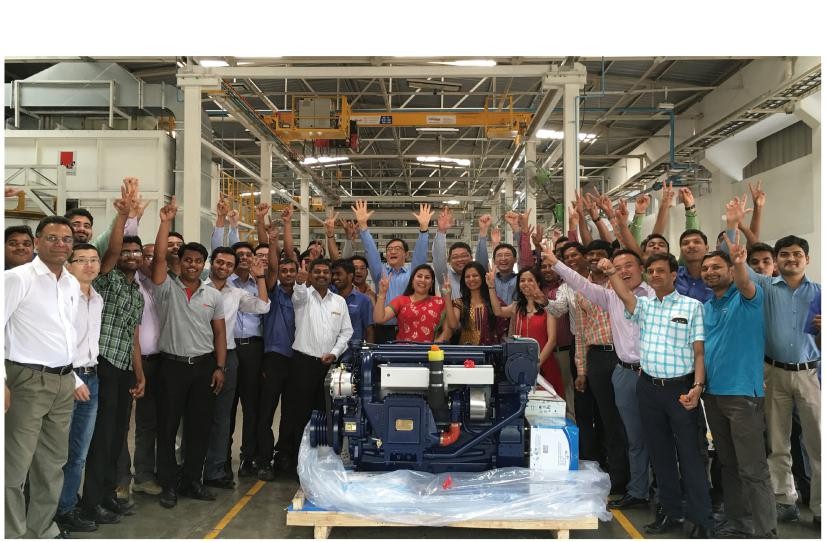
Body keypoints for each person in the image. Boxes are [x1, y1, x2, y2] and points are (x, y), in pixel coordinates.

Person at [723, 199, 821, 525]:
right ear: (776, 261)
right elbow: (738, 265)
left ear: (807, 259)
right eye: (785, 254)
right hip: (774, 372)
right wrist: (732, 224)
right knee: (778, 444)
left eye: (797, 254)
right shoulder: (765, 286)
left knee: (818, 444)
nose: (791, 258)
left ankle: (820, 508)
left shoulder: (819, 293)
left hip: (811, 374)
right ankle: (784, 499)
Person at [603, 252, 712, 537]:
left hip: (681, 390)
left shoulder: (692, 307)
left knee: (690, 455)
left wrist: (698, 387)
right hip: (648, 388)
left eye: (661, 271)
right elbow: (625, 296)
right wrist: (611, 272)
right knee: (660, 454)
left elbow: (699, 353)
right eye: (650, 271)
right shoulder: (644, 306)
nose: (654, 275)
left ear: (674, 274)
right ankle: (671, 513)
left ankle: (701, 518)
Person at [5, 215, 80, 539]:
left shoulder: (71, 283)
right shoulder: (17, 279)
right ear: (37, 242)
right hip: (27, 381)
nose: (60, 244)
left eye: (66, 239)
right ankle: (10, 532)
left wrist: (73, 377)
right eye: (52, 238)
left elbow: (66, 333)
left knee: (52, 463)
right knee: (14, 465)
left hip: (63, 382)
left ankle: (41, 529)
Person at [150, 197, 227, 509]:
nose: (193, 265)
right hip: (172, 367)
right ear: (179, 262)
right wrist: (165, 222)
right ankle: (169, 484)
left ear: (203, 264)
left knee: (199, 427)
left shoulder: (213, 295)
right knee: (167, 428)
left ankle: (193, 480)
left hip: (203, 368)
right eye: (188, 260)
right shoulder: (166, 288)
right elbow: (158, 260)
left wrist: (220, 367)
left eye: (198, 261)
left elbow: (219, 333)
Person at [700, 238, 777, 538]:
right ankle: (739, 524)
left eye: (716, 267)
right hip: (713, 396)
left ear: (731, 271)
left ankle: (766, 530)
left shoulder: (747, 297)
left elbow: (745, 282)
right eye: (705, 268)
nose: (709, 272)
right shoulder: (707, 307)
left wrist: (740, 261)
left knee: (752, 468)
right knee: (728, 465)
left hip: (743, 396)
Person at [79, 191, 146, 525]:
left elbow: (133, 335)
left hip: (123, 369)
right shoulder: (106, 280)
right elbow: (114, 249)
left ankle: (107, 495)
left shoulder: (137, 294)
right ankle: (90, 503)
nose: (131, 255)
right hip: (103, 365)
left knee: (117, 436)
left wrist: (140, 374)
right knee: (102, 439)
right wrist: (124, 217)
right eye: (127, 251)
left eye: (137, 252)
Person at [203, 247, 270, 488]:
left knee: (224, 415)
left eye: (228, 264)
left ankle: (218, 467)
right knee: (199, 414)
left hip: (230, 355)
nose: (224, 267)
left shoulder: (236, 293)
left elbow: (263, 307)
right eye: (220, 262)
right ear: (212, 263)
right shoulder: (200, 288)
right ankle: (194, 466)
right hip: (201, 355)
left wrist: (260, 277)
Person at [54, 242, 104, 533]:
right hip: (67, 380)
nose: (89, 265)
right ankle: (47, 513)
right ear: (69, 265)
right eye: (82, 260)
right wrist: (73, 379)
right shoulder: (62, 296)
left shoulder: (96, 299)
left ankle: (66, 509)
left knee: (78, 453)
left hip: (92, 378)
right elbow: (55, 341)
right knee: (55, 453)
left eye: (94, 259)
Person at [284, 258, 353, 469]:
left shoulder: (339, 302)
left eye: (326, 272)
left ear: (331, 276)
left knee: (326, 415)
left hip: (328, 366)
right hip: (303, 364)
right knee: (300, 414)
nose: (322, 275)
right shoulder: (303, 296)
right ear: (310, 275)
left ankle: (321, 463)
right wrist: (299, 282)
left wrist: (334, 353)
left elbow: (347, 332)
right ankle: (299, 464)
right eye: (317, 272)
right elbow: (298, 295)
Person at [352, 200, 433, 342]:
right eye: (389, 249)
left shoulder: (413, 273)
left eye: (397, 249)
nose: (392, 252)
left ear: (406, 254)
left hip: (409, 328)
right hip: (383, 329)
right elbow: (371, 252)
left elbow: (420, 255)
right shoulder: (380, 272)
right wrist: (363, 227)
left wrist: (424, 230)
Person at [256, 232, 298, 480]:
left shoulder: (304, 295)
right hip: (274, 359)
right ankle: (264, 461)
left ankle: (284, 456)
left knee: (290, 414)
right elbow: (272, 267)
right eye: (284, 270)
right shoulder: (272, 292)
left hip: (297, 361)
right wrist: (273, 242)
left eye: (292, 270)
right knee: (266, 413)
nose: (288, 274)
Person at [488, 267, 563, 398]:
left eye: (530, 280)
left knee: (548, 403)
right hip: (520, 364)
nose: (526, 283)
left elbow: (552, 341)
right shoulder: (516, 307)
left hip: (544, 363)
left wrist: (536, 364)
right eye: (522, 280)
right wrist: (491, 287)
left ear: (538, 283)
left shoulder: (548, 306)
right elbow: (498, 311)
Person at [131, 242, 164, 497]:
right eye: (147, 256)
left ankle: (150, 473)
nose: (150, 261)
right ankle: (128, 478)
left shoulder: (160, 285)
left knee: (153, 421)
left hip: (160, 361)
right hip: (136, 361)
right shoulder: (133, 284)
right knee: (131, 423)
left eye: (155, 257)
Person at [374, 263, 454, 343]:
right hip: (403, 349)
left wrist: (436, 344)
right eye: (419, 276)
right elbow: (379, 319)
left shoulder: (440, 302)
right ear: (412, 280)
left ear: (431, 283)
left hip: (430, 349)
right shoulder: (400, 301)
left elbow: (449, 329)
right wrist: (382, 294)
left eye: (427, 277)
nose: (422, 280)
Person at [432, 209, 491, 299]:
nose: (460, 259)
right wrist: (441, 231)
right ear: (449, 261)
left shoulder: (478, 275)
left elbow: (482, 263)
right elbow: (438, 258)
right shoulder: (445, 277)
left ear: (471, 257)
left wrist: (483, 233)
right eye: (455, 257)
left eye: (464, 256)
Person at [447, 262, 508, 345]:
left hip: (490, 350)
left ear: (482, 277)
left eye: (475, 275)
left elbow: (503, 327)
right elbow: (453, 325)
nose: (471, 279)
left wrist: (491, 286)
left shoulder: (494, 303)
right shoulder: (460, 303)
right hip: (466, 350)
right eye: (467, 277)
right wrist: (447, 295)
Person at [330, 258, 374, 349]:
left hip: (353, 352)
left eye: (338, 274)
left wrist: (367, 352)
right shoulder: (328, 297)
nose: (334, 277)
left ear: (350, 276)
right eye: (333, 274)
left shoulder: (364, 300)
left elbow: (369, 330)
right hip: (330, 351)